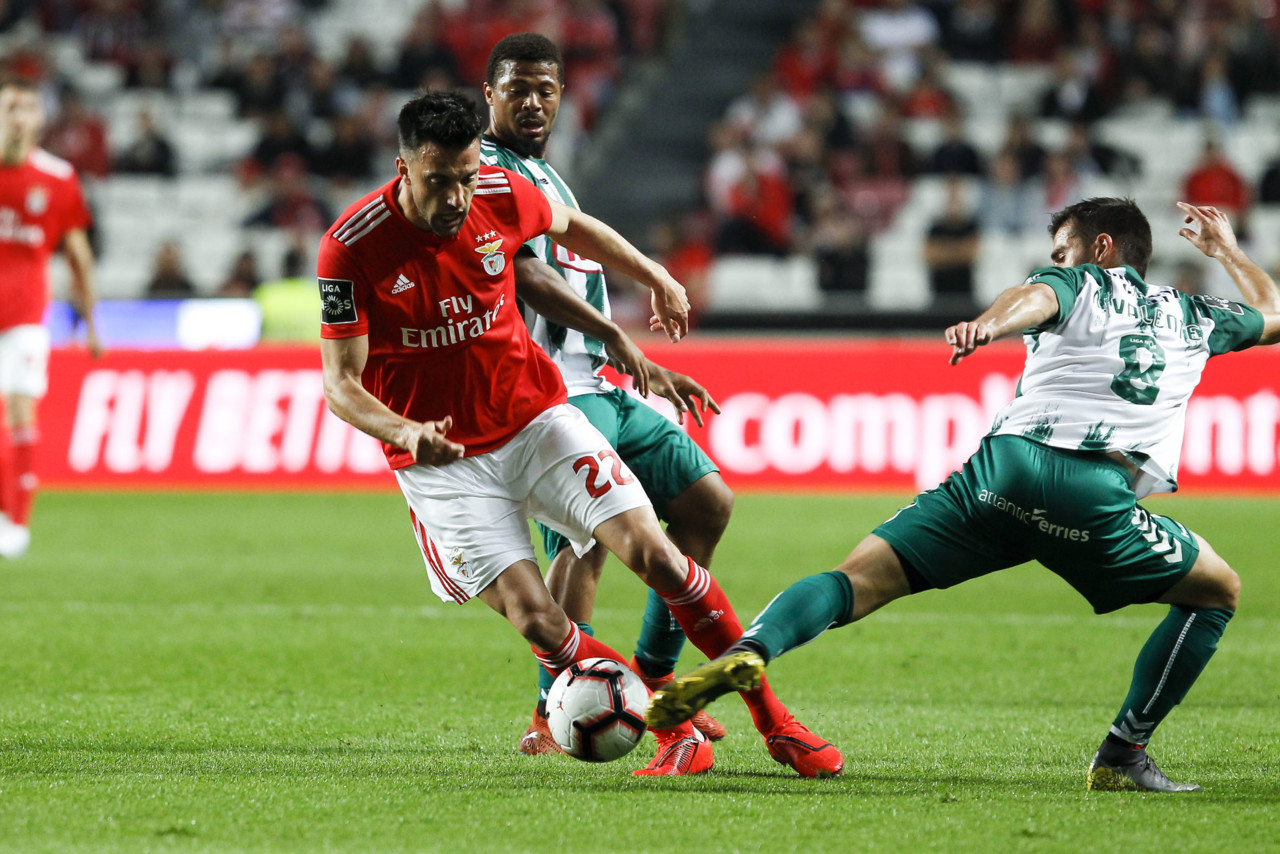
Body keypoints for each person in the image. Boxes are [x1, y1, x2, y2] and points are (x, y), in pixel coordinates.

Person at [648, 197, 1280, 792]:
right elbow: (1272, 314)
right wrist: (1226, 250)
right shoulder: (1197, 315)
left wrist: (987, 325)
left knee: (855, 579)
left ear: (1103, 248)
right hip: (1092, 496)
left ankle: (751, 650)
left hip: (1002, 472)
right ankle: (1123, 754)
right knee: (1217, 591)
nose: (1056, 262)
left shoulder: (1083, 282)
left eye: (1063, 252)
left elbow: (1036, 296)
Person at [317, 90, 842, 778]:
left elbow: (574, 227)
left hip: (534, 419)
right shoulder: (351, 248)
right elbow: (341, 384)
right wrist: (408, 432)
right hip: (444, 465)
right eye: (438, 180)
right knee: (539, 620)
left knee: (659, 556)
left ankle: (776, 722)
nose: (455, 198)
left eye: (466, 177)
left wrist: (651, 273)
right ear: (404, 167)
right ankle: (674, 725)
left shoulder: (500, 194)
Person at [480, 32, 737, 756]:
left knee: (706, 503)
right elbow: (528, 275)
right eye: (518, 89)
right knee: (585, 544)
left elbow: (580, 248)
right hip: (545, 390)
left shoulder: (546, 175)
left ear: (563, 95)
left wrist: (634, 339)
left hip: (598, 379)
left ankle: (656, 678)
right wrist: (620, 334)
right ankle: (551, 712)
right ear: (490, 95)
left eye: (546, 89)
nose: (533, 102)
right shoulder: (485, 172)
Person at [0, 76, 101, 558]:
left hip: (24, 314)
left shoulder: (57, 177)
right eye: (9, 108)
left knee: (21, 412)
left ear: (40, 117)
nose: (18, 117)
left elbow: (79, 255)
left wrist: (93, 324)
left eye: (27, 108)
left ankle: (16, 522)